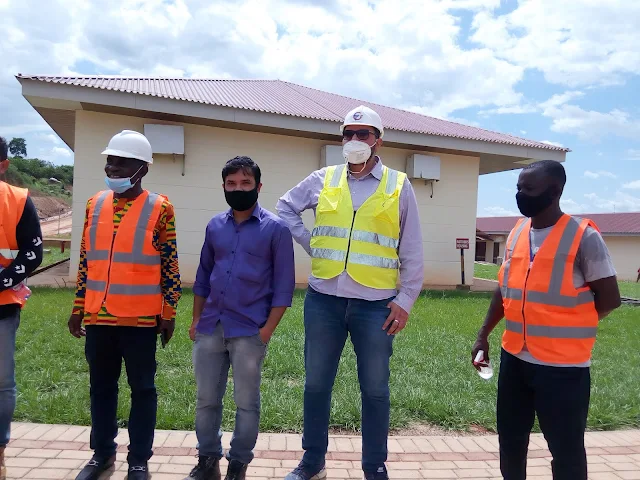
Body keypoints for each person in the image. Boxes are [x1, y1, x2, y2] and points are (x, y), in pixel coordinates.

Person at [276, 106, 424, 480]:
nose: (355, 140)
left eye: (364, 133)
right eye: (349, 134)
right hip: (323, 301)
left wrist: (405, 300)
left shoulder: (398, 185)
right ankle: (312, 462)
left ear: (378, 141)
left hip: (375, 305)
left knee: (375, 389)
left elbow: (412, 248)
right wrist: (311, 243)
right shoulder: (324, 179)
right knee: (315, 385)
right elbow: (285, 207)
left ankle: (374, 466)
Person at [471, 160, 622, 480]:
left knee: (566, 450)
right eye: (518, 188)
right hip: (515, 359)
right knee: (511, 441)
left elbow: (610, 299)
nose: (521, 194)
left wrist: (570, 324)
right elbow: (504, 287)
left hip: (563, 368)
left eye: (529, 188)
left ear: (555, 192)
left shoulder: (583, 236)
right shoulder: (517, 232)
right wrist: (483, 334)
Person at [68, 130, 181, 480]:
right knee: (101, 389)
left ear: (142, 168)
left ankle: (138, 460)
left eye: (122, 162)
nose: (112, 167)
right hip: (98, 317)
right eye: (110, 161)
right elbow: (86, 261)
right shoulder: (94, 204)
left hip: (140, 321)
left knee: (143, 390)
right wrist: (77, 307)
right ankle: (102, 455)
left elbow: (170, 265)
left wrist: (169, 312)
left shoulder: (160, 208)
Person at [185, 156, 295, 480]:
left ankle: (238, 463)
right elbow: (203, 277)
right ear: (223, 187)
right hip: (210, 326)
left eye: (245, 183)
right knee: (206, 399)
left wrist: (266, 332)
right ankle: (208, 460)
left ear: (258, 187)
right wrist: (196, 320)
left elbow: (284, 288)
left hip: (249, 330)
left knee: (246, 402)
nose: (238, 189)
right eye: (231, 184)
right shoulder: (214, 226)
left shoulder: (276, 230)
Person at [0, 136, 43, 480]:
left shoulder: (18, 200)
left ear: (3, 165)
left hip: (2, 307)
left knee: (2, 383)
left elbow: (33, 252)